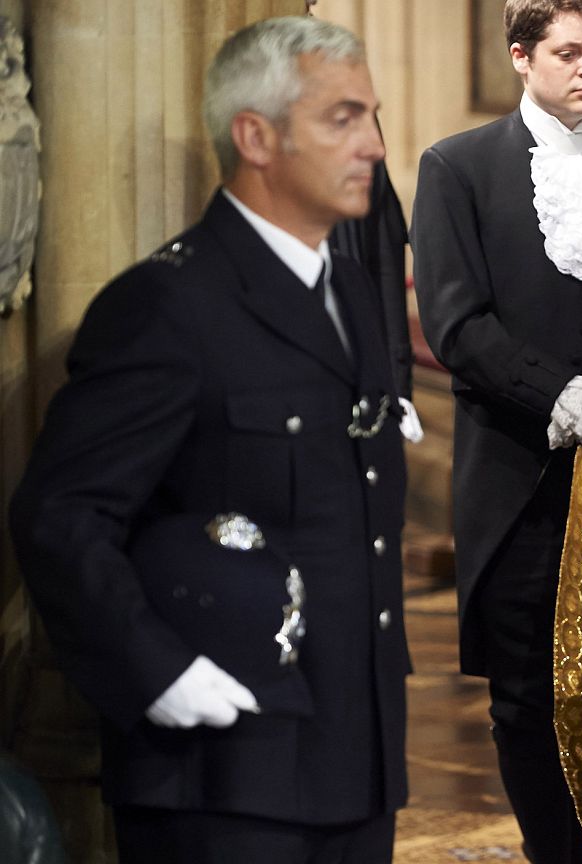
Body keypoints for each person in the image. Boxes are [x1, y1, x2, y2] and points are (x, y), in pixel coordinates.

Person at [9, 16, 410, 863]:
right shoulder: (168, 305)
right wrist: (156, 673)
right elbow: (60, 514)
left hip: (352, 753)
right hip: (221, 770)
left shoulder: (343, 289)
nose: (373, 143)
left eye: (373, 115)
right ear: (255, 136)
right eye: (342, 118)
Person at [410, 1, 582, 861]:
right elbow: (457, 323)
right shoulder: (459, 167)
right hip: (525, 471)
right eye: (570, 53)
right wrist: (562, 395)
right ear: (523, 57)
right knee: (527, 692)